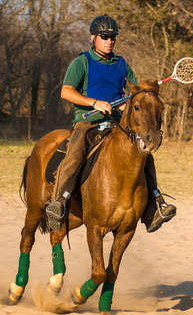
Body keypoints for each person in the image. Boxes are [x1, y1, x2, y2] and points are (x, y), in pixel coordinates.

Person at [45, 14, 176, 233]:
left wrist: (127, 105)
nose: (109, 41)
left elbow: (134, 95)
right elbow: (66, 91)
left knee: (146, 155)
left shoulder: (121, 64)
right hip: (88, 124)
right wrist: (94, 103)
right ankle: (60, 201)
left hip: (118, 126)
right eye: (104, 36)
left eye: (112, 37)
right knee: (75, 153)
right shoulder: (82, 62)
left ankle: (155, 206)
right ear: (92, 37)